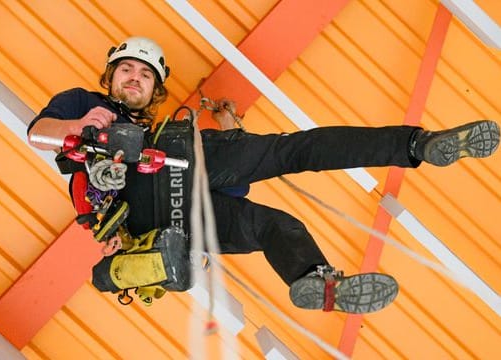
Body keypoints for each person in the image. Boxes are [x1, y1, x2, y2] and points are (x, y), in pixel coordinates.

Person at [28, 37, 500, 314]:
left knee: (275, 222)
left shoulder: (153, 127)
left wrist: (232, 131)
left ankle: (319, 282)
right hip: (141, 194)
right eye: (126, 70)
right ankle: (413, 144)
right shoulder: (81, 104)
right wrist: (79, 127)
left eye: (145, 75)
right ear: (110, 76)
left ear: (155, 89)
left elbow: (229, 173)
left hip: (180, 201)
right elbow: (38, 134)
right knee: (294, 150)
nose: (134, 78)